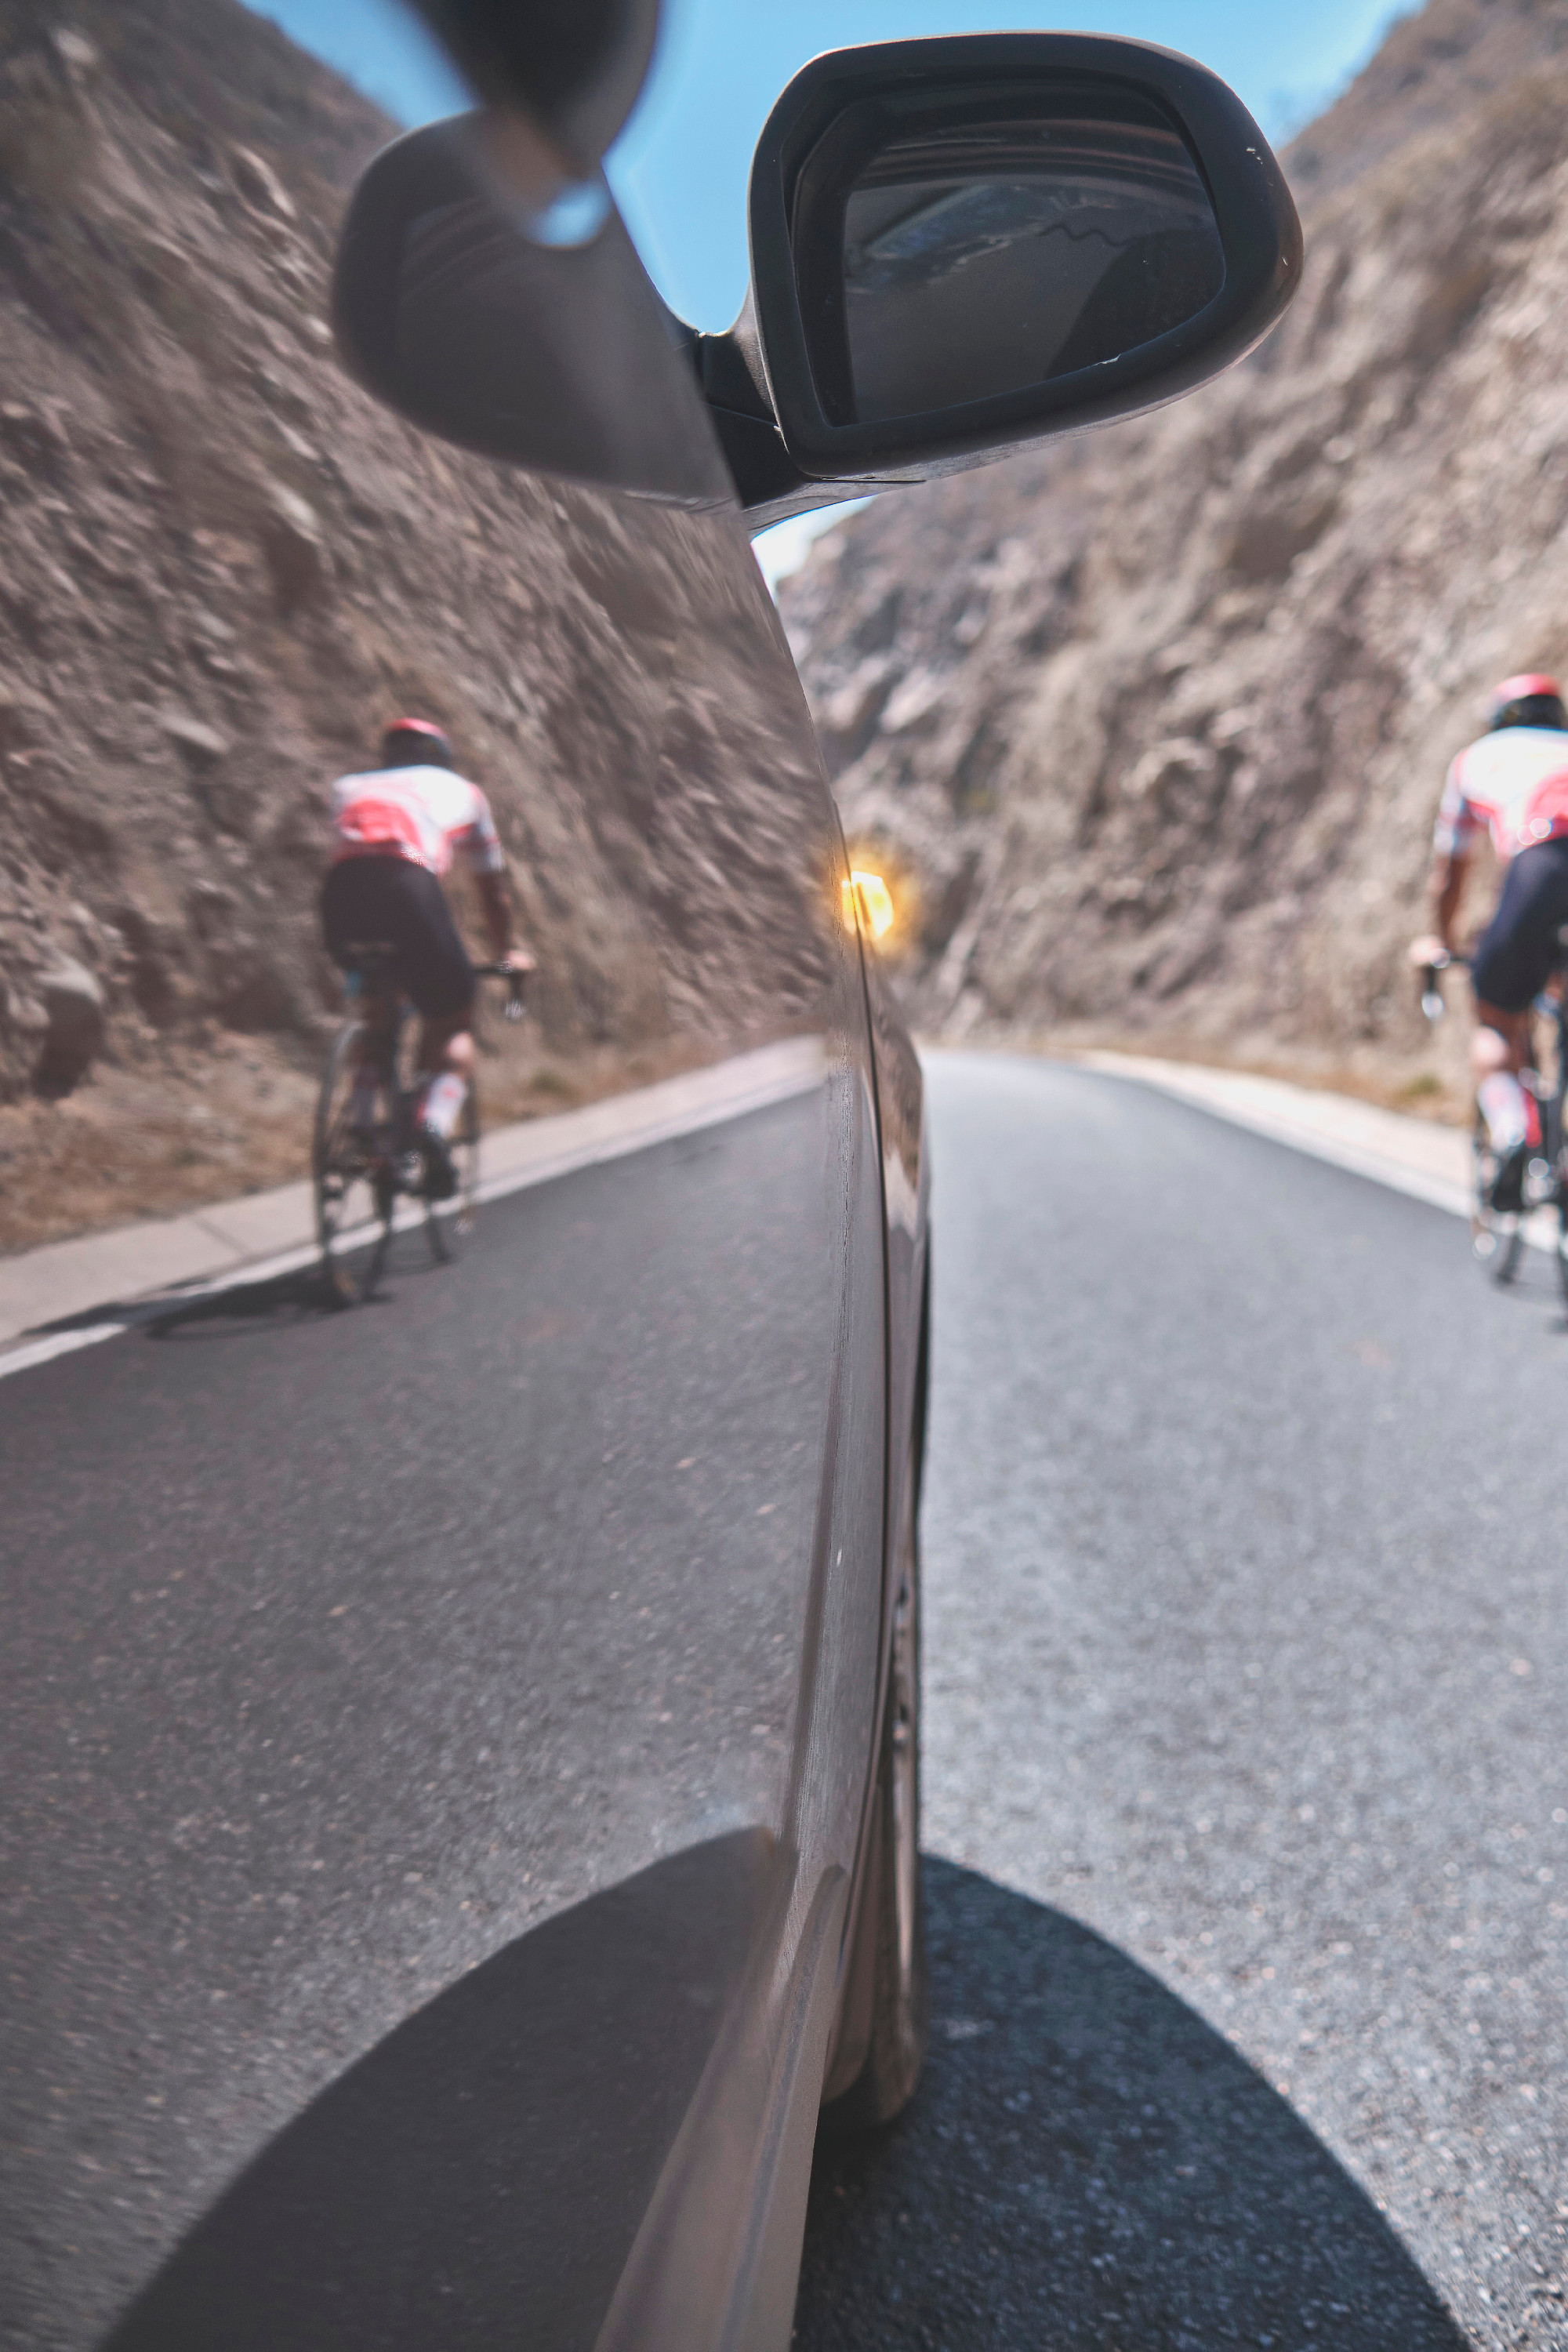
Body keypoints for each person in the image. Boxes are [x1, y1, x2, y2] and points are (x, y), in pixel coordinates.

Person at [320, 718, 533, 1196]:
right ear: (442, 757)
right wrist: (507, 952)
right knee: (453, 1019)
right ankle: (432, 1125)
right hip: (410, 887)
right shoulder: (465, 793)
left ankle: (362, 1123)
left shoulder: (348, 785)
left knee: (379, 1006)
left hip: (340, 896)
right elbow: (492, 891)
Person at [1410, 673, 1568, 1210]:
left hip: (1542, 864)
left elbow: (1451, 873)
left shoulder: (1476, 759)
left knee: (1496, 1013)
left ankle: (1512, 1131)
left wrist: (1441, 940)